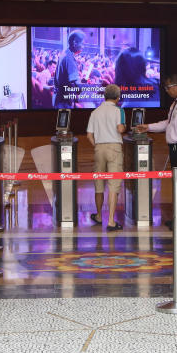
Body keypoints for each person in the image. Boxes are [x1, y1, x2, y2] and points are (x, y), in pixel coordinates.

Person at [137, 74, 177, 231]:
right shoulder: (176, 103)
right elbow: (168, 124)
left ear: (176, 86)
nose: (167, 91)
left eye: (168, 88)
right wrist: (149, 127)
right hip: (174, 148)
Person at [86, 84, 126, 231]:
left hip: (99, 148)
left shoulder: (95, 112)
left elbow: (89, 135)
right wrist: (124, 127)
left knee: (99, 184)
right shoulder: (119, 110)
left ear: (104, 96)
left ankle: (98, 216)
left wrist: (96, 145)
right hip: (114, 148)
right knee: (114, 185)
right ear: (117, 97)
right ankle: (110, 221)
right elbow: (120, 129)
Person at [53, 29, 85, 107]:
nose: (83, 47)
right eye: (82, 43)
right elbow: (76, 85)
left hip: (59, 98)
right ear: (75, 43)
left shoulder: (65, 53)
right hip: (64, 102)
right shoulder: (69, 58)